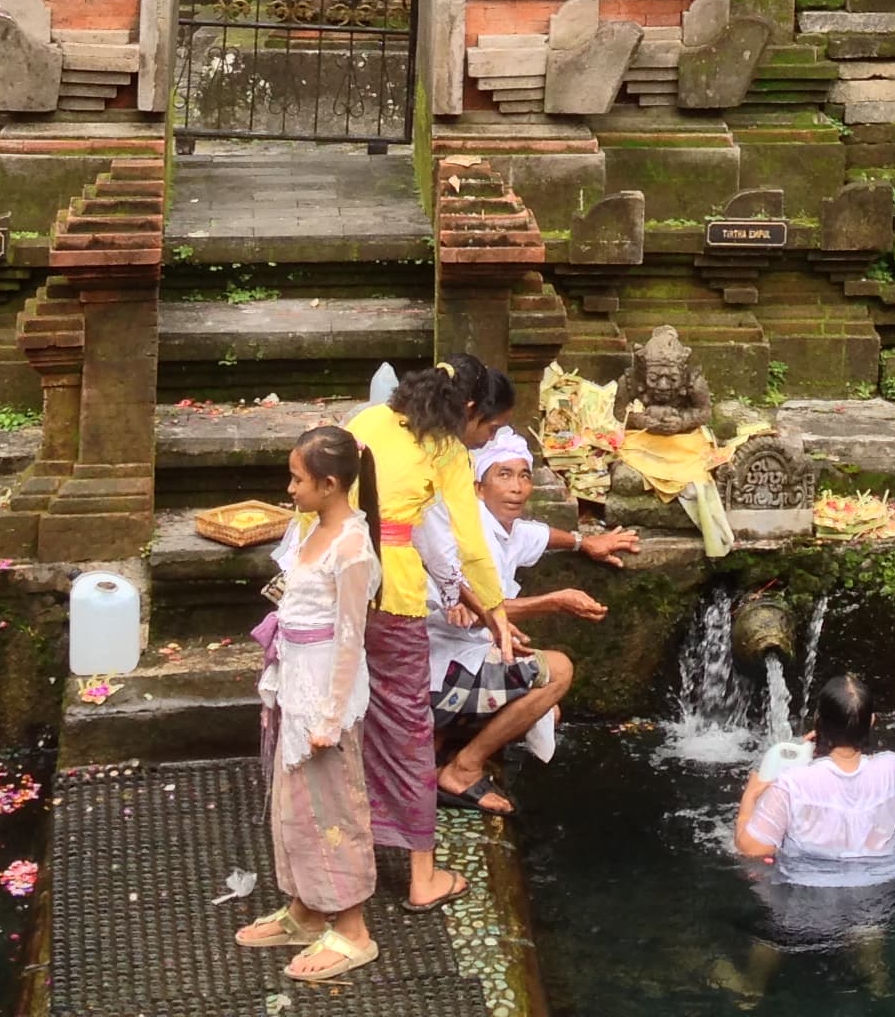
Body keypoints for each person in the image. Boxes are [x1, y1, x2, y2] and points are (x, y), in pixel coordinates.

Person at [345, 361, 520, 915]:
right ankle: (422, 875)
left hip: (334, 586)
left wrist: (467, 599)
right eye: (489, 429)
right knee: (406, 726)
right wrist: (492, 607)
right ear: (469, 410)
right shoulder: (445, 450)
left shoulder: (367, 420)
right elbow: (467, 544)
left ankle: (343, 853)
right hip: (390, 594)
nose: (485, 439)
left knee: (344, 717)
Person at [420, 430, 637, 814]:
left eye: (524, 476)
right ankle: (462, 769)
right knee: (558, 672)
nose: (517, 487)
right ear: (479, 487)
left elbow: (537, 535)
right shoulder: (470, 535)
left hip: (460, 665)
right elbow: (478, 609)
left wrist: (584, 543)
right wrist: (554, 601)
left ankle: (444, 737)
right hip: (437, 674)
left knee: (545, 712)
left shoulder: (506, 528)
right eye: (503, 475)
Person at [237, 425, 383, 987]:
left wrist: (328, 715)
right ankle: (304, 907)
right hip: (296, 680)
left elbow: (351, 636)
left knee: (334, 808)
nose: (289, 488)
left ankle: (352, 928)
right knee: (294, 802)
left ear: (328, 483)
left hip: (326, 692)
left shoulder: (351, 546)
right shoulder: (310, 529)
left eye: (297, 479)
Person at [719, 676, 895, 1004]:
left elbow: (753, 849)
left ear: (818, 722)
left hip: (807, 894)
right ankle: (878, 983)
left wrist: (751, 795)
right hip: (881, 888)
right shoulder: (893, 768)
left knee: (776, 930)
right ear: (872, 722)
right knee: (868, 926)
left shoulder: (793, 783)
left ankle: (750, 988)